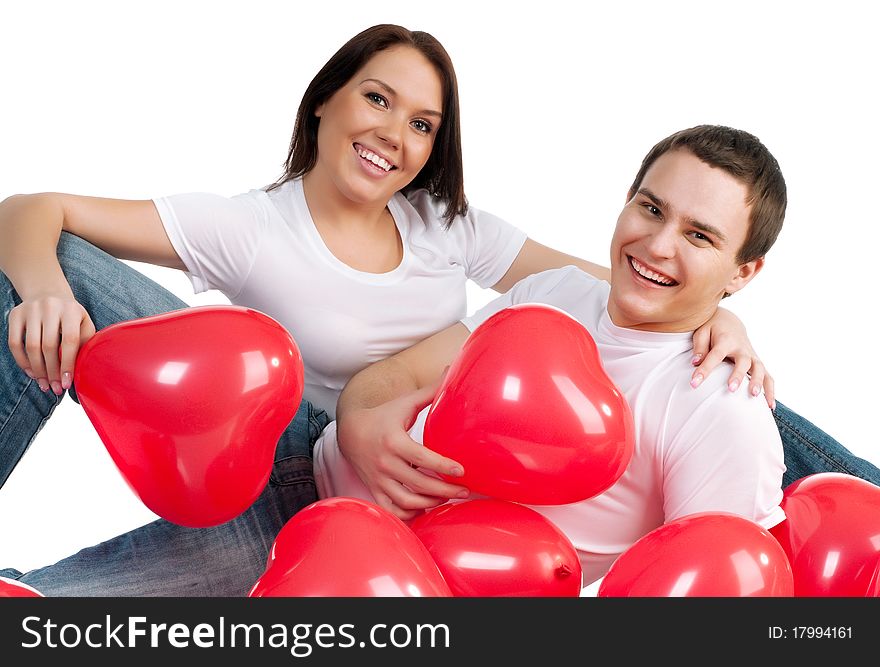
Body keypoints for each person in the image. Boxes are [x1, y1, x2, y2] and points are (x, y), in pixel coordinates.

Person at [0, 24, 867, 596]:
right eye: (648, 208)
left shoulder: (455, 230)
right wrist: (372, 419)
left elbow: (633, 293)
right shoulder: (251, 227)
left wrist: (726, 319)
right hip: (272, 450)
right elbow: (595, 291)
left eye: (421, 122)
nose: (393, 135)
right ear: (325, 102)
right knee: (48, 273)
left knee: (48, 609)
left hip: (369, 560)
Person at [316, 125, 877, 586]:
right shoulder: (556, 292)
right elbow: (392, 377)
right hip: (299, 462)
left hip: (354, 576)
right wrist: (357, 424)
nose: (658, 245)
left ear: (744, 271)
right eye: (652, 209)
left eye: (700, 237)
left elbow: (705, 588)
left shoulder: (721, 410)